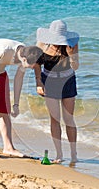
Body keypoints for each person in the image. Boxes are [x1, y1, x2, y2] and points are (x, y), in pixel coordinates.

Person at [35, 20, 79, 163]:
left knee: (69, 119)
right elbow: (35, 64)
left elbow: (76, 66)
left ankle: (74, 154)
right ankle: (59, 154)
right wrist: (38, 82)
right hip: (49, 82)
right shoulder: (42, 43)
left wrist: (71, 55)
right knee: (55, 119)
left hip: (68, 81)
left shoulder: (71, 44)